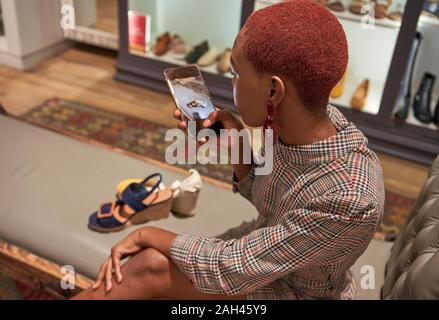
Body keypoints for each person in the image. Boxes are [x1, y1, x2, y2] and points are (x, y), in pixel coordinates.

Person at [73, 0, 384, 300]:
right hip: (265, 258)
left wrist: (146, 234)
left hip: (291, 291)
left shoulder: (350, 199)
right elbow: (270, 202)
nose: (231, 82)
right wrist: (236, 145)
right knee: (154, 265)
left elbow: (233, 267)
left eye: (235, 73)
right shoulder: (301, 125)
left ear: (273, 90)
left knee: (149, 265)